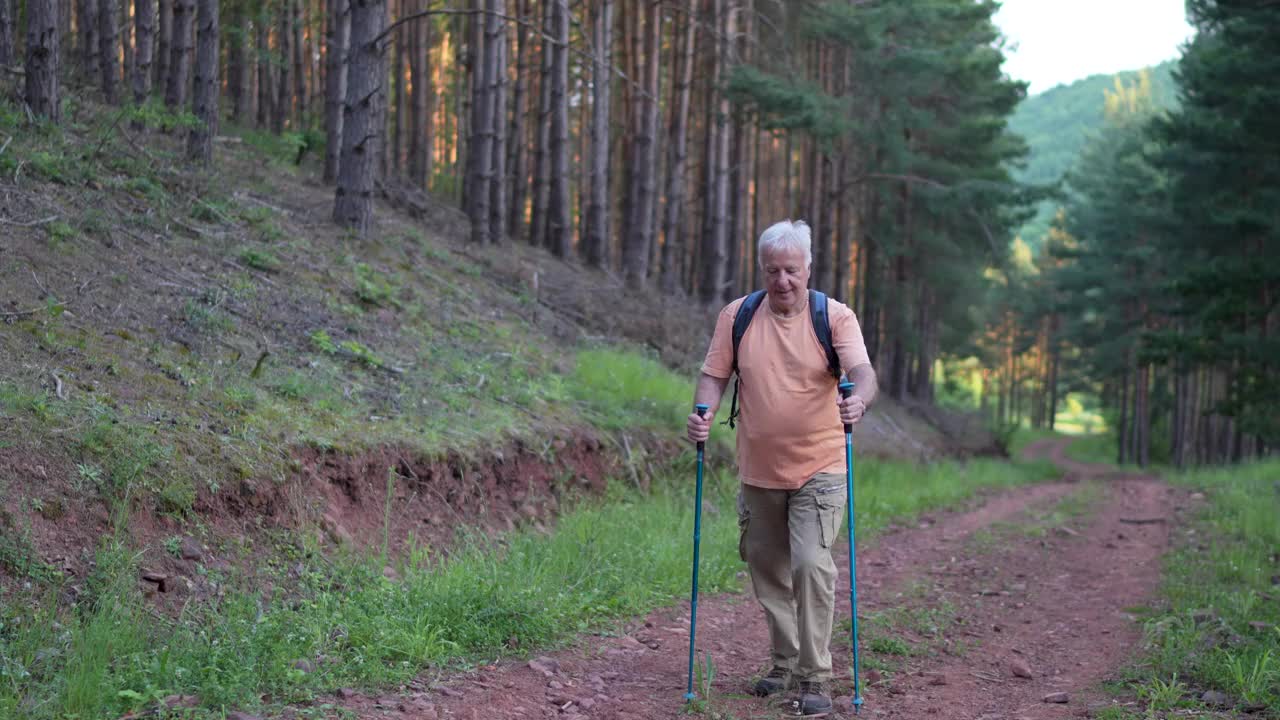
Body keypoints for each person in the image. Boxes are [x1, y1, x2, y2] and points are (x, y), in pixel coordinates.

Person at [687, 219, 877, 716]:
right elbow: (713, 376)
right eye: (773, 271)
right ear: (762, 270)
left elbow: (863, 373)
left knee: (811, 564)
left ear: (808, 268)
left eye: (791, 270)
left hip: (821, 465)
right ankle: (784, 661)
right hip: (758, 470)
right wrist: (702, 414)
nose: (783, 281)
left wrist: (859, 404)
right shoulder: (739, 316)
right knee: (767, 568)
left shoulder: (833, 318)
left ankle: (816, 676)